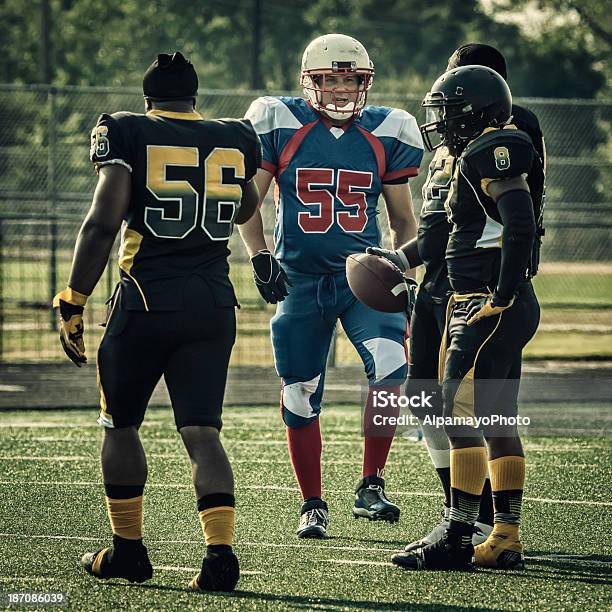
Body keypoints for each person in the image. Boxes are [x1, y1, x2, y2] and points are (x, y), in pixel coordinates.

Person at [52, 52, 261, 591]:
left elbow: (102, 222)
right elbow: (243, 209)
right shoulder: (236, 134)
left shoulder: (126, 129)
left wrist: (74, 297)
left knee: (119, 425)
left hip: (145, 300)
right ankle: (220, 557)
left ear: (148, 98)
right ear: (195, 97)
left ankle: (128, 552)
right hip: (214, 304)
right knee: (202, 432)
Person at [240, 33, 424, 538]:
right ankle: (312, 503)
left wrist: (401, 271)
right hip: (299, 279)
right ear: (309, 82)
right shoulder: (282, 122)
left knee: (391, 365)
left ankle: (371, 483)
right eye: (331, 80)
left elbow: (405, 221)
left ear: (365, 84)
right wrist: (260, 257)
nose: (342, 91)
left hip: (362, 276)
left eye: (351, 80)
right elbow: (247, 203)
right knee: (299, 393)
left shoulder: (386, 130)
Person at [368, 44, 545, 562]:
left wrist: (503, 293)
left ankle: (459, 531)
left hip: (480, 295)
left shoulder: (498, 143)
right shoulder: (467, 151)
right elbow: (444, 232)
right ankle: (500, 534)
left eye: (449, 106)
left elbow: (519, 223)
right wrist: (398, 260)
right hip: (467, 292)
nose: (439, 120)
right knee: (488, 415)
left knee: (459, 411)